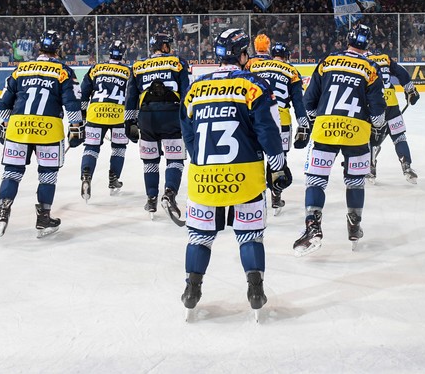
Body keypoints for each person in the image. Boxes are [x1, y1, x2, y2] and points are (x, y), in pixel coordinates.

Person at [178, 28, 289, 319]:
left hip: (203, 177)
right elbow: (268, 131)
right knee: (250, 236)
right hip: (245, 176)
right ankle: (255, 290)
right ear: (242, 54)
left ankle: (192, 289)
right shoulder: (253, 84)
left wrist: (200, 160)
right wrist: (278, 167)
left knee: (199, 238)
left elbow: (187, 133)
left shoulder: (195, 87)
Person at [293, 23, 386, 256]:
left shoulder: (327, 62)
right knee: (355, 182)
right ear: (368, 44)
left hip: (325, 129)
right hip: (356, 132)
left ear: (348, 40)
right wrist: (377, 127)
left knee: (316, 179)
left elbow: (308, 102)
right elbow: (377, 112)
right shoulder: (371, 67)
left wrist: (315, 121)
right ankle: (354, 225)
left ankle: (312, 227)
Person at [0, 30, 83, 239]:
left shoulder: (21, 69)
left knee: (12, 173)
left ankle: (3, 212)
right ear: (58, 49)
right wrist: (76, 127)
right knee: (47, 175)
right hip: (48, 130)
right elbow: (72, 104)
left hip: (19, 128)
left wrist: (7, 123)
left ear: (39, 48)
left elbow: (2, 105)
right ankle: (43, 218)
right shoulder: (63, 71)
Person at [125, 32, 190, 223]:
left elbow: (131, 98)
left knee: (150, 161)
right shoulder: (178, 62)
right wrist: (188, 118)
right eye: (168, 44)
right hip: (172, 116)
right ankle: (169, 193)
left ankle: (151, 198)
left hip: (147, 118)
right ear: (163, 47)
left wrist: (129, 122)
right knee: (175, 159)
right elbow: (187, 92)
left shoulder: (138, 66)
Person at [246, 40, 307, 213]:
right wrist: (304, 124)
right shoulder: (292, 72)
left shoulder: (255, 67)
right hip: (281, 119)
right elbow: (298, 103)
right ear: (286, 56)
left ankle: (256, 196)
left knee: (255, 156)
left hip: (256, 116)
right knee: (278, 157)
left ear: (272, 55)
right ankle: (276, 195)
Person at [79, 40, 132, 202]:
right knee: (118, 149)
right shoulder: (128, 71)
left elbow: (83, 94)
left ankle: (86, 175)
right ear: (123, 54)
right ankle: (113, 179)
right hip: (119, 115)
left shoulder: (96, 68)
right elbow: (132, 96)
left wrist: (82, 114)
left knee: (91, 148)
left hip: (96, 113)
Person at [365, 46, 420, 184]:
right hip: (392, 103)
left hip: (375, 104)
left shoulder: (363, 61)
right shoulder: (385, 58)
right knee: (399, 135)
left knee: (370, 138)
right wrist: (411, 90)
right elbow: (402, 73)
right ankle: (407, 165)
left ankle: (370, 169)